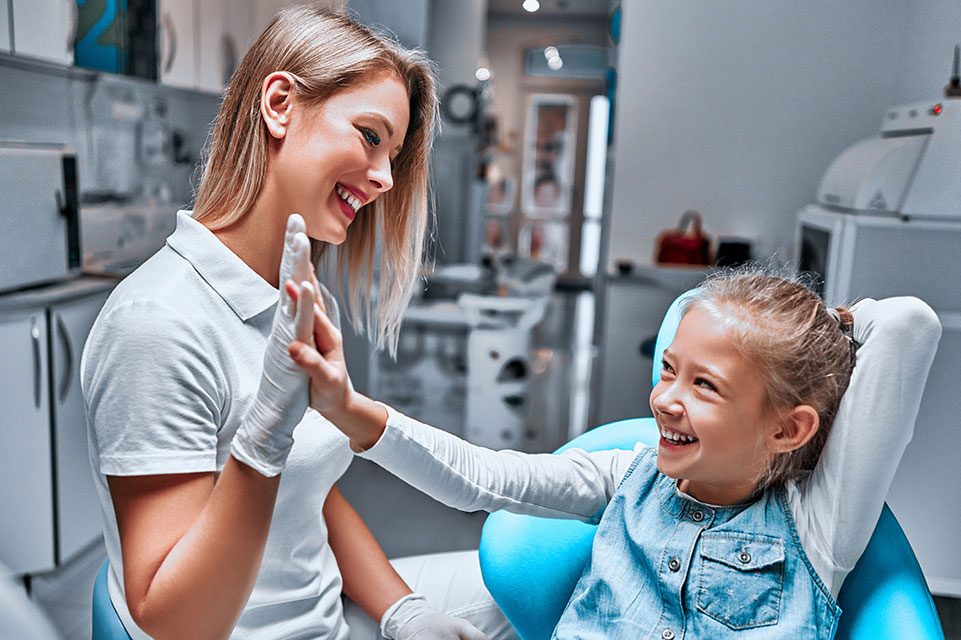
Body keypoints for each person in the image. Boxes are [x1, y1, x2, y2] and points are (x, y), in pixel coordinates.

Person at [81, 7, 514, 640]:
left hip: (330, 612)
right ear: (280, 103)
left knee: (567, 577)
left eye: (393, 155)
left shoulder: (299, 294)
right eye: (371, 136)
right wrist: (261, 443)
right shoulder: (158, 325)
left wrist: (403, 611)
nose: (386, 179)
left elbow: (307, 495)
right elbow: (174, 622)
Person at [285, 267, 941, 638]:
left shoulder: (817, 528)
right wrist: (351, 411)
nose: (662, 400)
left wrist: (818, 328)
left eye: (704, 386)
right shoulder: (626, 477)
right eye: (667, 370)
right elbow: (480, 479)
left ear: (787, 429)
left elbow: (911, 323)